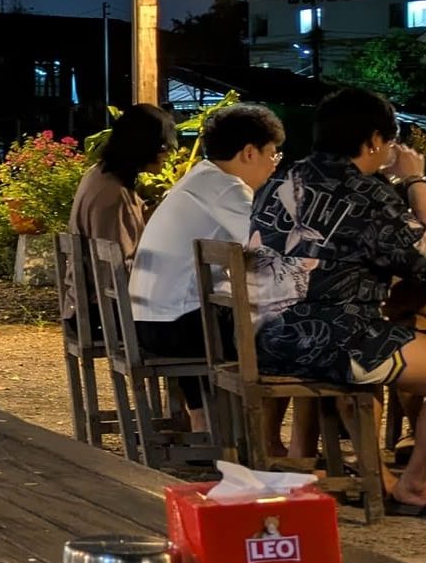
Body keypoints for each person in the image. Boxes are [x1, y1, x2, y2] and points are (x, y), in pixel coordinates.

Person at [248, 86, 426, 515]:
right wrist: (414, 180)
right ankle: (416, 486)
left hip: (265, 338)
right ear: (376, 140)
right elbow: (425, 252)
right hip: (332, 343)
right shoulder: (366, 192)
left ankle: (379, 477)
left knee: (382, 346)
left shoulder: (279, 181)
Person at [128, 104, 285, 430]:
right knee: (296, 334)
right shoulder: (226, 188)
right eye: (273, 155)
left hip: (153, 319)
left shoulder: (201, 178)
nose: (274, 165)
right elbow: (272, 247)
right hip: (176, 327)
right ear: (249, 152)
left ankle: (209, 423)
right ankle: (266, 439)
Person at [63, 102, 178, 327]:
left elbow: (137, 221)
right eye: (164, 146)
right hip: (104, 313)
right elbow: (117, 272)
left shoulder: (102, 175)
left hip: (91, 305)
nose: (167, 155)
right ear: (145, 146)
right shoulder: (113, 195)